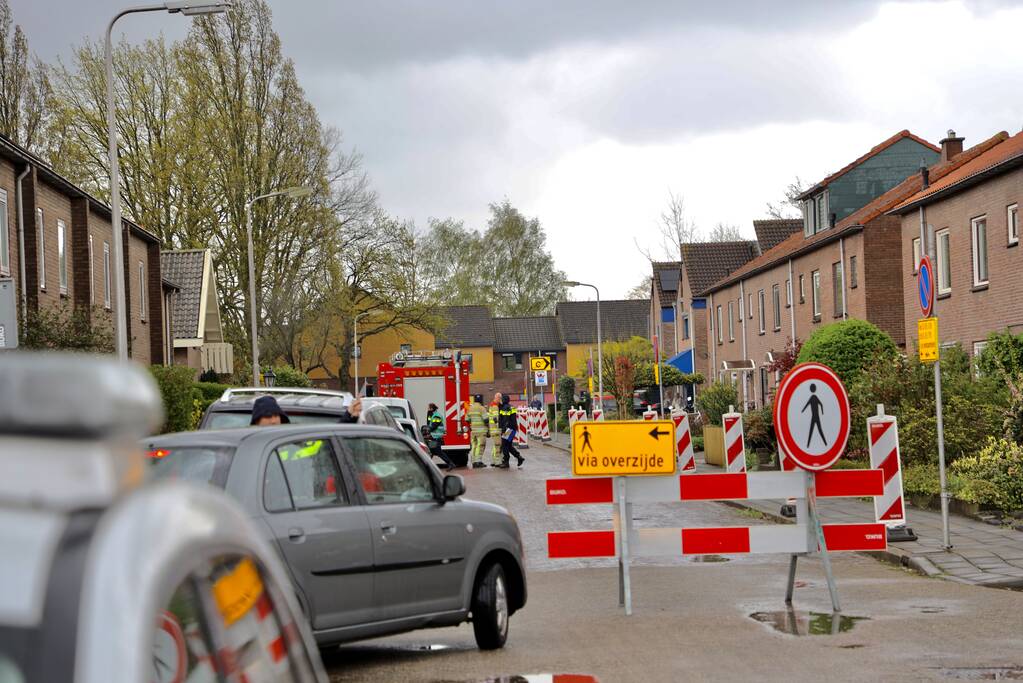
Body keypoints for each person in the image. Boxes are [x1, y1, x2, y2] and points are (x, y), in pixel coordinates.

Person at [425, 403, 457, 469]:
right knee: (431, 451)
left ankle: (451, 463)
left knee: (438, 452)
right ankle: (426, 466)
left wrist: (427, 430)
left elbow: (434, 425)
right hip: (434, 437)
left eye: (429, 408)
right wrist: (429, 413)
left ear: (432, 408)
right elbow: (428, 422)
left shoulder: (437, 416)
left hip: (436, 437)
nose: (428, 409)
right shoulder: (433, 415)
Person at [498, 394, 524, 469]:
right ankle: (519, 457)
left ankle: (506, 462)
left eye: (501, 399)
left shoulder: (505, 408)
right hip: (512, 429)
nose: (501, 401)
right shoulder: (510, 406)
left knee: (505, 445)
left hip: (508, 429)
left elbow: (506, 420)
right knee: (508, 446)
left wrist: (503, 430)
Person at [467, 394, 488, 468]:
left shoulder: (470, 408)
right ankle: (478, 462)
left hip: (473, 431)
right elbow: (486, 419)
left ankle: (473, 461)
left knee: (474, 446)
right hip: (481, 431)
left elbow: (467, 419)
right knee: (481, 445)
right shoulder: (482, 408)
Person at [486, 396, 503, 467]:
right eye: (500, 399)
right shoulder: (495, 407)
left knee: (495, 445)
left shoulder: (491, 406)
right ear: (498, 398)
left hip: (492, 429)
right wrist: (501, 428)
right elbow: (496, 419)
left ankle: (493, 460)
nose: (500, 401)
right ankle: (497, 461)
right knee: (498, 445)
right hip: (496, 430)